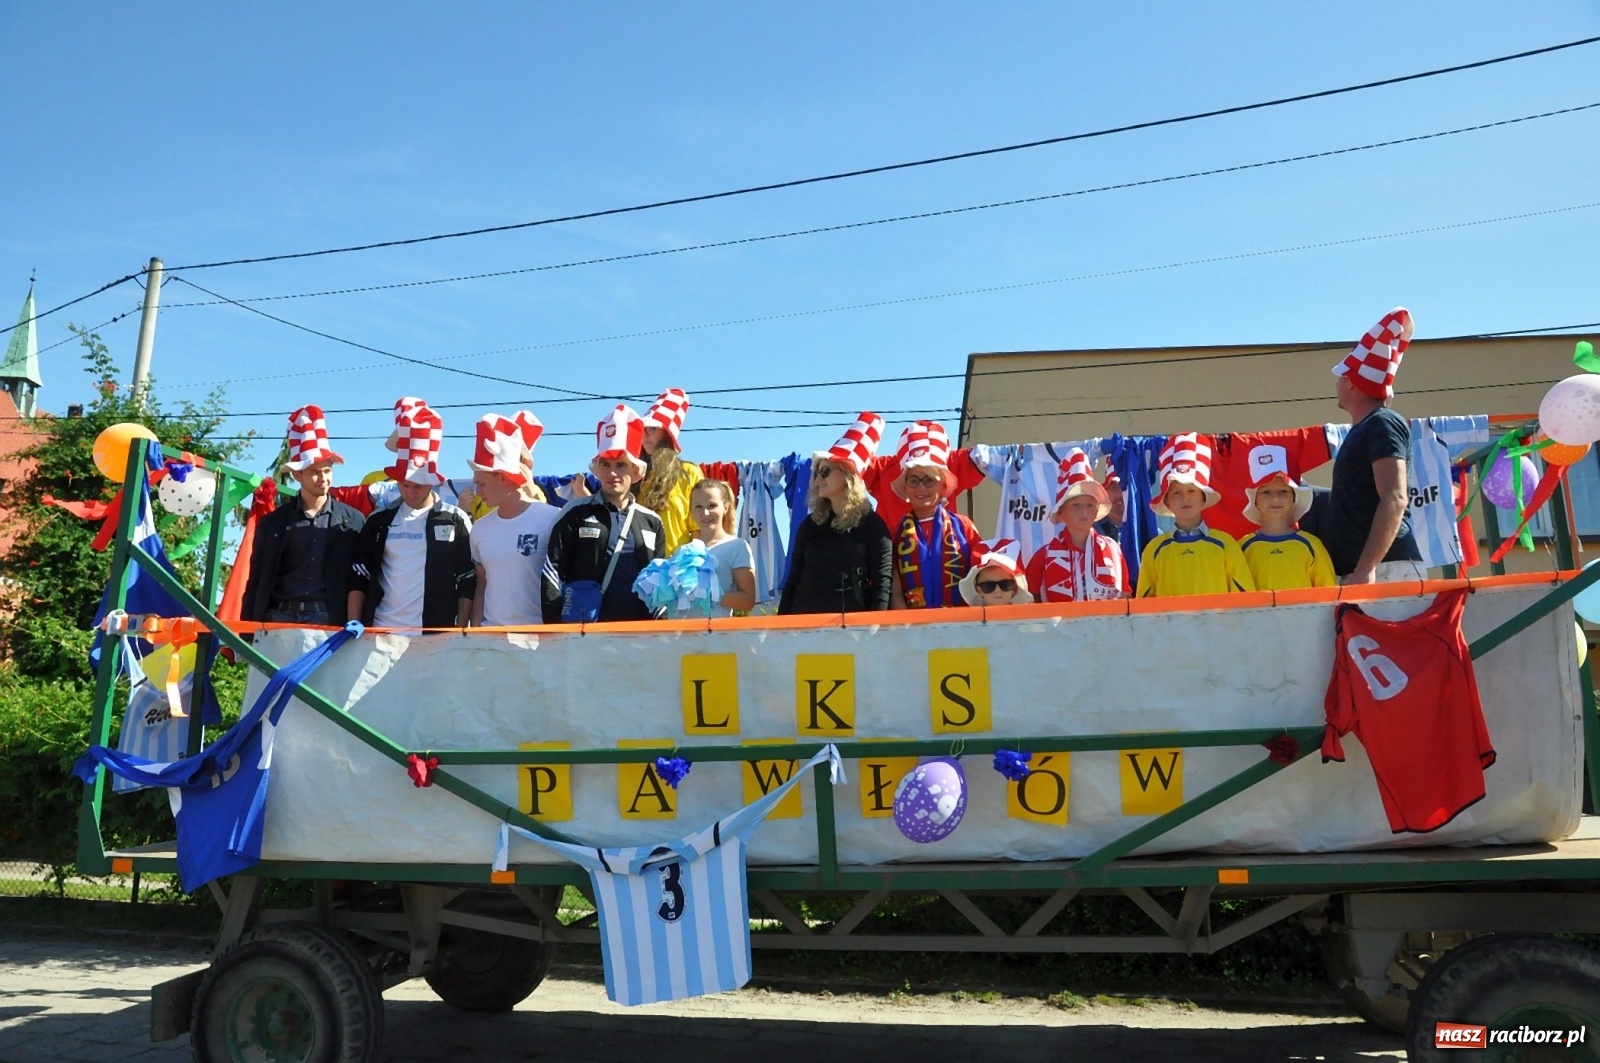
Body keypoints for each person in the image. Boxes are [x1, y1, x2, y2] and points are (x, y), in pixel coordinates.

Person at [348, 403, 475, 630]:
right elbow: (360, 574)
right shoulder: (379, 521)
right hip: (381, 630)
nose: (411, 492)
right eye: (405, 485)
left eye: (418, 486)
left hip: (435, 634)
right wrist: (354, 622)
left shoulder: (455, 519)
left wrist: (461, 630)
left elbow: (467, 578)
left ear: (431, 482)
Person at [1327, 307, 1426, 584]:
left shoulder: (1382, 423)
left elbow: (1394, 496)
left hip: (1385, 570)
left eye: (1341, 377)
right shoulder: (1368, 427)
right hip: (1373, 569)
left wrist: (1365, 568)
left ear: (1353, 384)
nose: (1336, 383)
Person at [542, 405, 668, 623]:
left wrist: (660, 630)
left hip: (639, 636)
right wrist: (554, 631)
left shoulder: (652, 522)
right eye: (605, 465)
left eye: (621, 465)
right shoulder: (574, 512)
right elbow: (552, 572)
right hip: (584, 634)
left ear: (635, 471)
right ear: (597, 469)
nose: (612, 473)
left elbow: (658, 585)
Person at [241, 405, 366, 627]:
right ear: (298, 475)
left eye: (327, 471)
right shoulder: (273, 524)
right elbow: (257, 579)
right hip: (279, 618)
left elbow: (360, 578)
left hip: (328, 620)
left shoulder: (353, 521)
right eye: (315, 472)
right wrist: (246, 631)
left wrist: (357, 621)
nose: (323, 478)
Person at [778, 412, 894, 614]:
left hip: (851, 631)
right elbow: (793, 581)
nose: (818, 479)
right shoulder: (810, 524)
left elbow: (882, 584)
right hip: (803, 627)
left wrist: (874, 630)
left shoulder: (872, 525)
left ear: (847, 476)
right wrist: (780, 629)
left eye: (825, 471)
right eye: (817, 473)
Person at [466, 411, 561, 627]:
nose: (477, 492)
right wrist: (475, 634)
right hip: (491, 641)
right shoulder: (479, 529)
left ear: (501, 477)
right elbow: (481, 586)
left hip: (540, 640)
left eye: (481, 483)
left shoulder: (551, 518)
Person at [1136, 433, 1255, 598]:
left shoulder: (1225, 544)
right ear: (1168, 502)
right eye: (1177, 493)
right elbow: (1144, 608)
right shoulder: (1154, 550)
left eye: (1192, 491)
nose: (1185, 498)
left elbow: (1245, 600)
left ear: (1203, 498)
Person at [888, 420, 982, 609]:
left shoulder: (964, 526)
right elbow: (895, 589)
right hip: (914, 628)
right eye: (913, 480)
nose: (921, 487)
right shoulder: (895, 531)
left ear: (943, 486)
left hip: (959, 625)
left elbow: (980, 576)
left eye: (929, 480)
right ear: (905, 488)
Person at [1027, 448, 1129, 602]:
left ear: (1096, 512)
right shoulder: (1043, 557)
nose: (1084, 511)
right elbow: (1028, 603)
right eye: (1076, 505)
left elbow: (1126, 597)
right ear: (1061, 512)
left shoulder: (1113, 549)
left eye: (1089, 505)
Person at [1238, 444, 1337, 591]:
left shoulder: (1312, 545)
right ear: (1255, 501)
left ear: (1294, 499)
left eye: (1283, 491)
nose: (1275, 499)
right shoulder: (1242, 548)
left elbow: (1329, 593)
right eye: (1266, 492)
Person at [638, 388, 704, 554]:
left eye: (652, 428)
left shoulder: (689, 473)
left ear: (667, 433)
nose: (645, 435)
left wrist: (690, 564)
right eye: (642, 429)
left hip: (676, 570)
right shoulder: (635, 473)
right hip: (638, 570)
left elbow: (699, 528)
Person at [689, 479, 756, 617]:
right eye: (698, 506)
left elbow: (748, 601)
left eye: (712, 506)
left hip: (716, 635)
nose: (705, 513)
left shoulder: (737, 546)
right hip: (681, 635)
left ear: (726, 507)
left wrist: (707, 594)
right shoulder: (684, 550)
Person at [958, 538, 1034, 606]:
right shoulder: (968, 621)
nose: (997, 590)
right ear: (978, 590)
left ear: (1014, 588)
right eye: (988, 586)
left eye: (1005, 584)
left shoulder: (1032, 621)